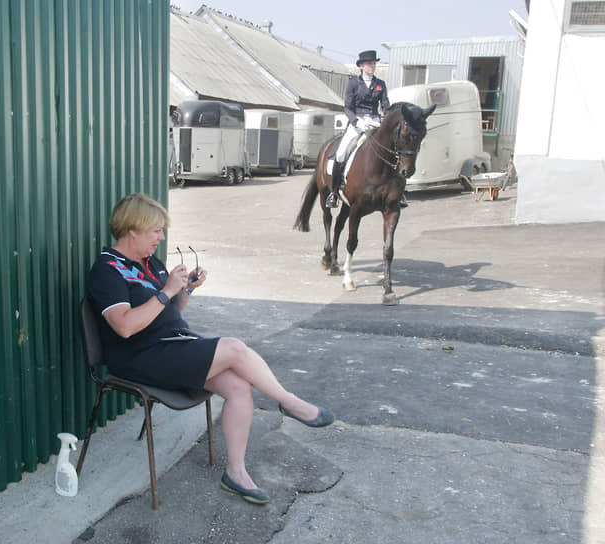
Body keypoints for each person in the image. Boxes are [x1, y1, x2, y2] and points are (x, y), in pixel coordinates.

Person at [88, 193, 334, 505]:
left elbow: (170, 311)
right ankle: (290, 402)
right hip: (139, 356)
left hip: (172, 346)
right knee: (233, 348)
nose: (161, 237)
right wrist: (165, 292)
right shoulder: (107, 270)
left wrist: (185, 289)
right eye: (155, 231)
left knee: (238, 385)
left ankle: (236, 472)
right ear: (132, 230)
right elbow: (124, 326)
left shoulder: (150, 263)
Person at [326, 50, 407, 208]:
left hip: (376, 122)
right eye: (369, 64)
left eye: (374, 64)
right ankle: (334, 193)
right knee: (341, 153)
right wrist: (357, 121)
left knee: (394, 151)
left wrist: (386, 117)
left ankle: (399, 192)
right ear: (362, 66)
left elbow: (385, 105)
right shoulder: (354, 84)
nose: (372, 66)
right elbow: (348, 108)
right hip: (357, 123)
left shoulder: (380, 84)